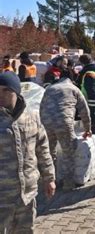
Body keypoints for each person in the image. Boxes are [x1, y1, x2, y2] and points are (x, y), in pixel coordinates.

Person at [0, 72, 56, 232]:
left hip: (27, 195)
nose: (0, 95)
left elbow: (43, 148)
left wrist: (49, 178)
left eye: (6, 90)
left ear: (17, 92)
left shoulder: (31, 117)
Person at [40, 71, 92, 190]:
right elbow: (84, 111)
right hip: (63, 122)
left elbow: (41, 107)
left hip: (46, 122)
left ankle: (51, 181)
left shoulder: (50, 88)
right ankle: (68, 183)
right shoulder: (74, 89)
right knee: (68, 152)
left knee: (49, 152)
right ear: (72, 79)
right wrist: (88, 129)